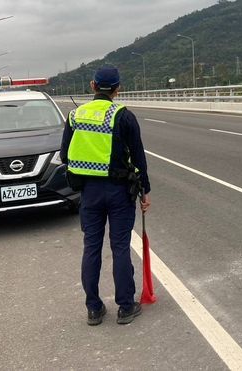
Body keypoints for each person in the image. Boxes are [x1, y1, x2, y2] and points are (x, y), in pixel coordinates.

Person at [60, 66, 151, 326]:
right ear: (117, 88)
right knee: (120, 247)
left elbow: (65, 155)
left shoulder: (75, 116)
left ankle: (94, 308)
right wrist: (145, 191)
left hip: (88, 193)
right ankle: (125, 306)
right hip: (120, 192)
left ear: (92, 85)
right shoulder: (123, 116)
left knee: (91, 248)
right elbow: (139, 158)